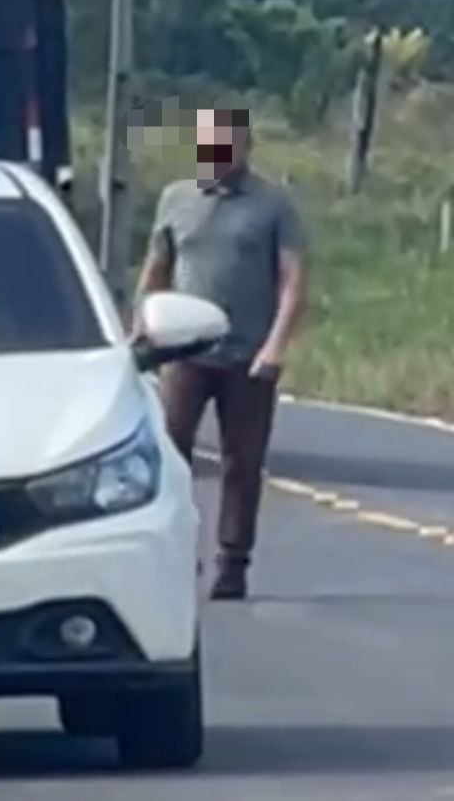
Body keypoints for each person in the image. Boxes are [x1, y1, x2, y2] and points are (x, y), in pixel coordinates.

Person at [134, 107, 308, 600]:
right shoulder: (176, 199)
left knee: (241, 463)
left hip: (246, 355)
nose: (213, 152)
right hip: (183, 351)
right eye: (206, 142)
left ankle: (233, 561)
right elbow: (156, 270)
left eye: (224, 143)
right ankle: (172, 549)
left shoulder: (273, 205)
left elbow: (293, 281)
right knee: (170, 456)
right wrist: (142, 329)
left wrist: (275, 347)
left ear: (244, 147)